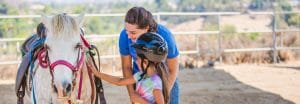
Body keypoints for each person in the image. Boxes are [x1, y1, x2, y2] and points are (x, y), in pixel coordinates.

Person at [119, 7, 179, 104]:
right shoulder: (124, 36)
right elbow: (126, 67)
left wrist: (163, 94)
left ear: (146, 28)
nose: (128, 36)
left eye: (133, 32)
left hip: (166, 79)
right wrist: (132, 94)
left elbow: (173, 69)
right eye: (127, 31)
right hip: (142, 79)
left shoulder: (165, 35)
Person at [89, 32, 170, 104]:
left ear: (145, 61)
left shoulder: (155, 82)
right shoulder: (141, 76)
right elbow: (119, 81)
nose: (135, 61)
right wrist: (97, 73)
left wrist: (140, 100)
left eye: (137, 58)